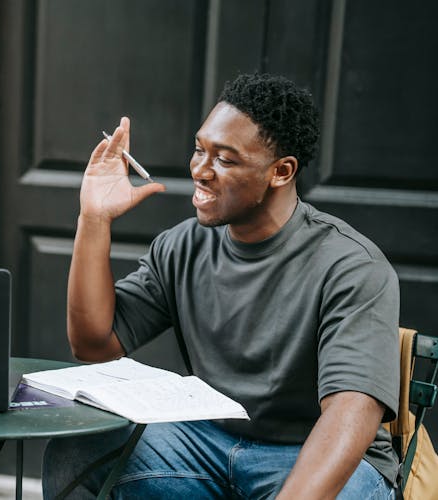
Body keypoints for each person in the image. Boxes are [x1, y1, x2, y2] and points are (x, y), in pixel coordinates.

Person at [43, 73, 399, 499]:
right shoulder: (183, 246)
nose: (200, 170)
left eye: (225, 160)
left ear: (281, 172)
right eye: (199, 150)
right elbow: (94, 344)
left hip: (307, 453)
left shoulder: (350, 265)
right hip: (205, 447)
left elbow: (350, 413)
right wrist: (94, 219)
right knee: (79, 451)